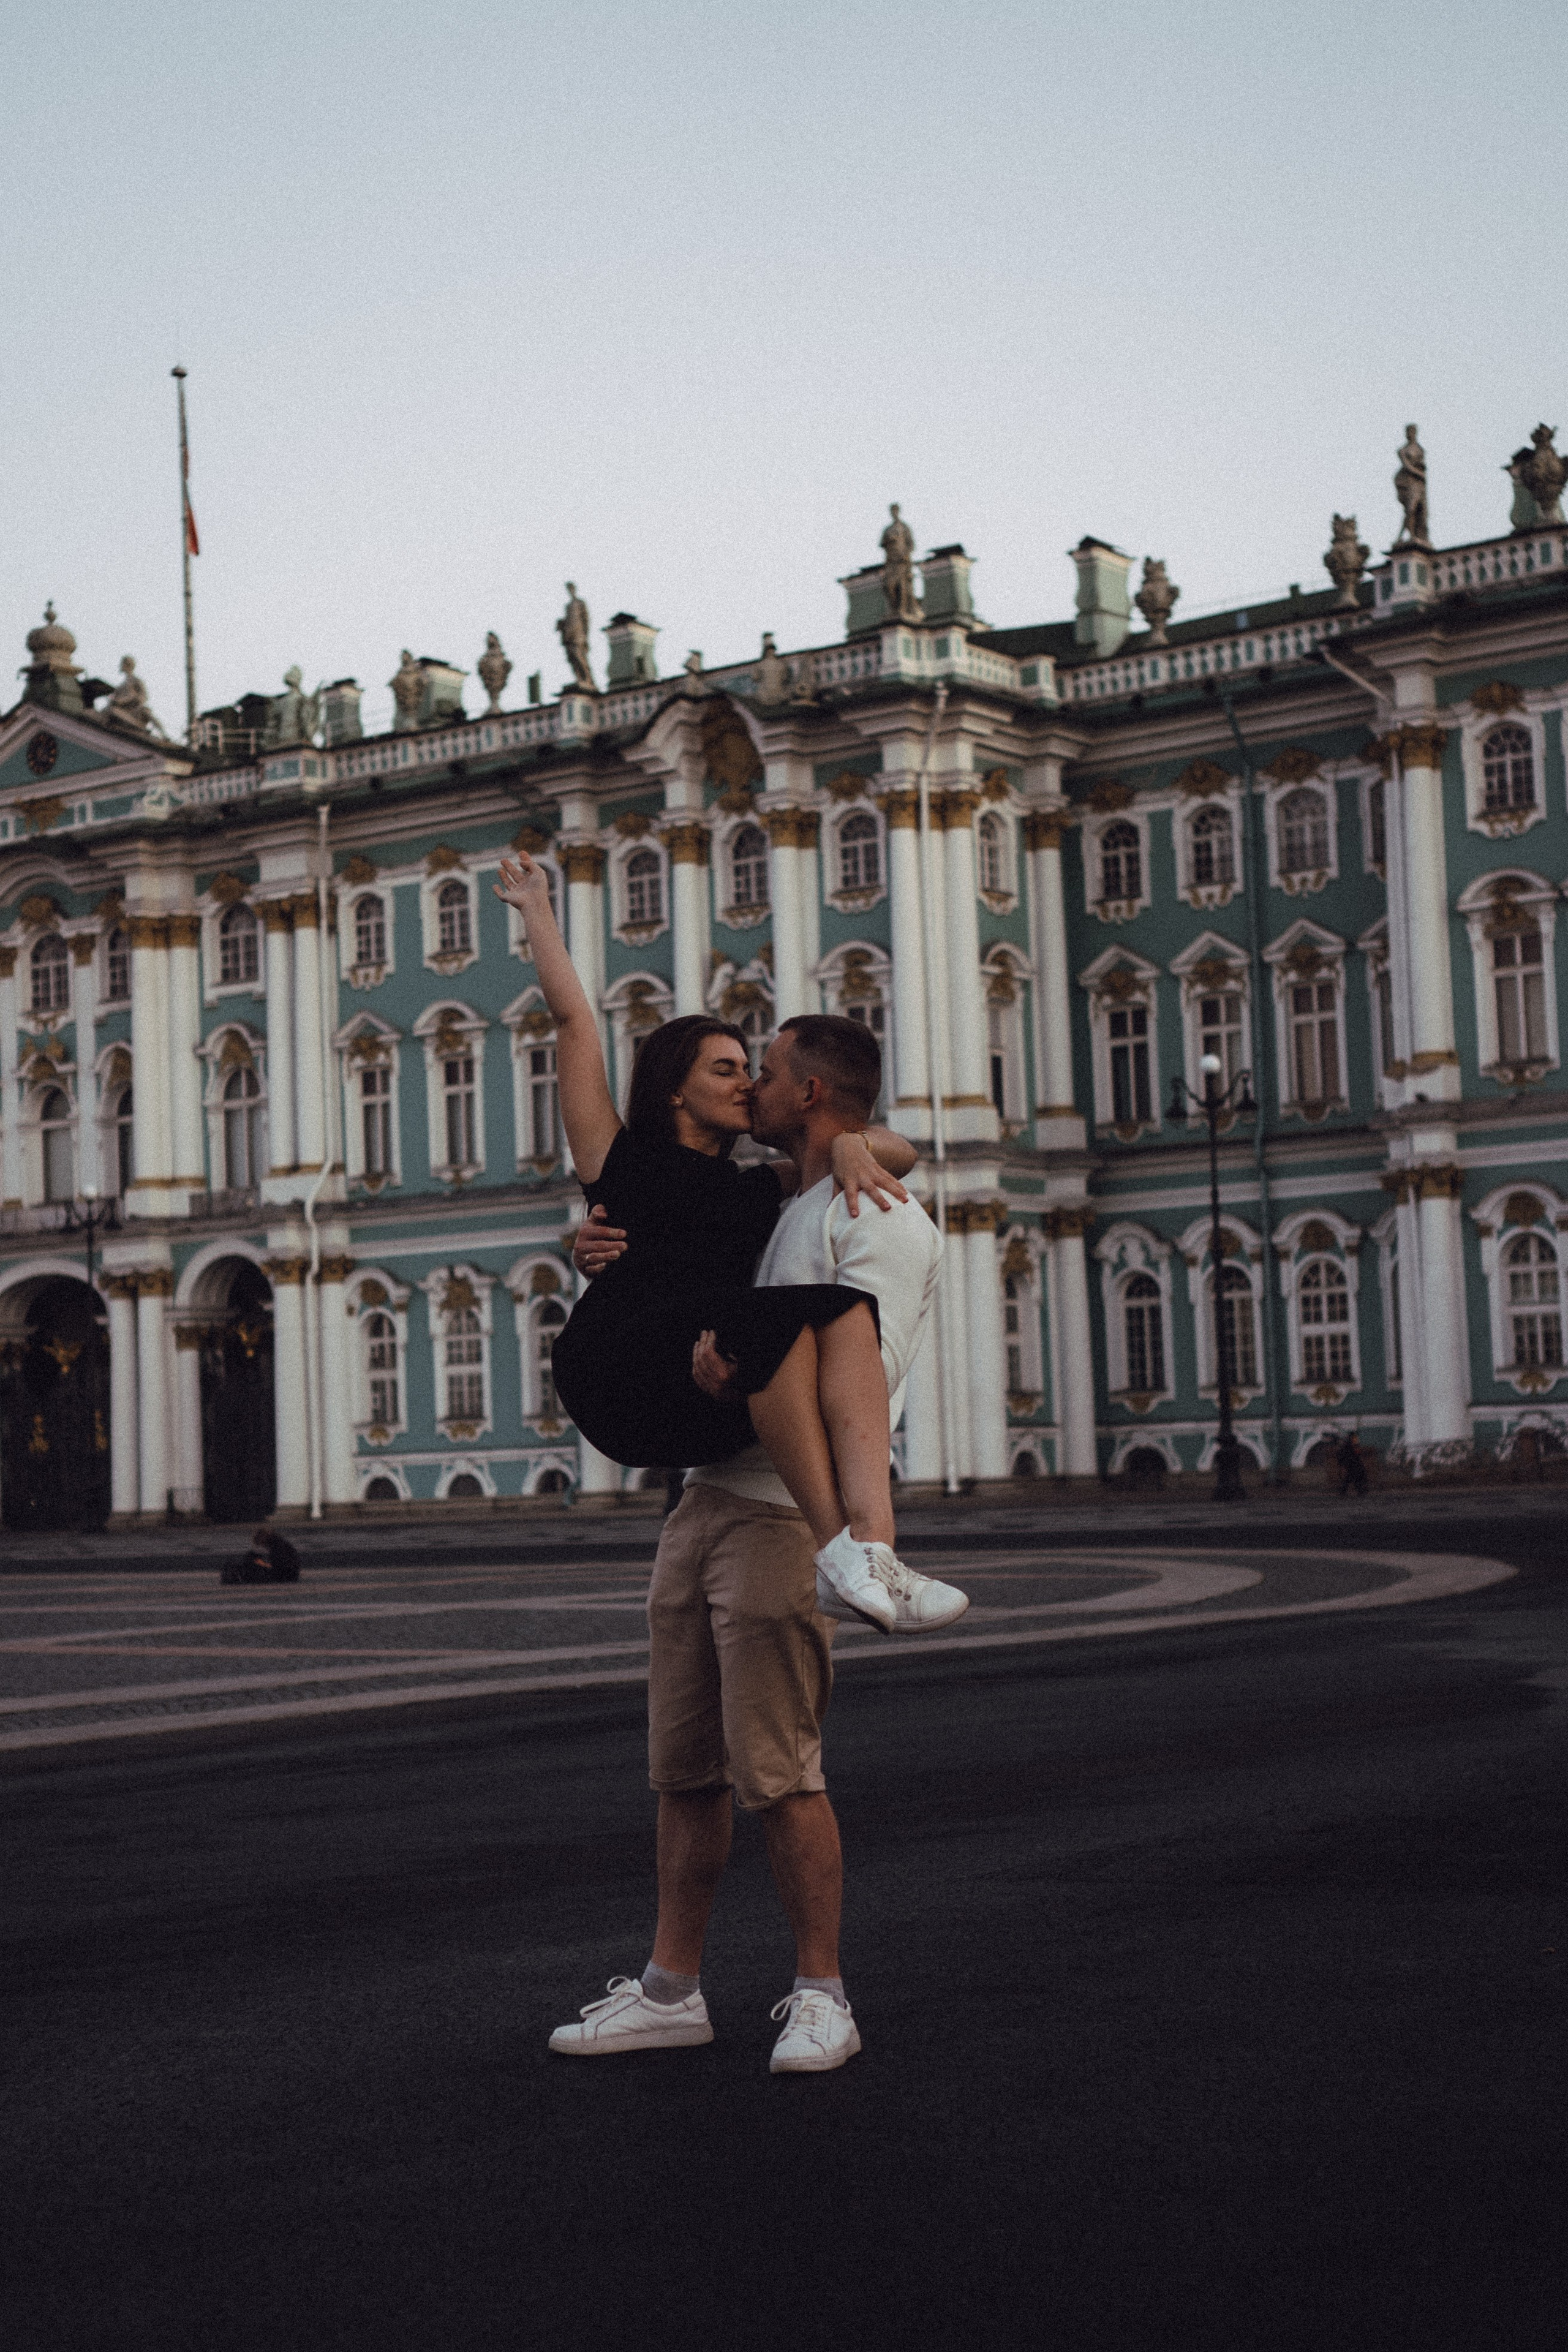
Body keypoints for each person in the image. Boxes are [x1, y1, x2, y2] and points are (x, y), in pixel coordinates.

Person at [551, 1013, 958, 2073]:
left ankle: (823, 1992)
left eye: (764, 1072)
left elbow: (849, 1365)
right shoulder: (785, 1199)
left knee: (782, 1773)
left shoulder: (875, 1216)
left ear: (810, 1096)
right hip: (702, 1507)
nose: (751, 1090)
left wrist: (747, 1371)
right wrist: (603, 1251)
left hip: (783, 1515)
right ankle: (672, 1990)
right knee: (684, 1770)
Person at [492, 850, 950, 1634]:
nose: (746, 1082)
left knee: (832, 1316)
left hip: (703, 1387)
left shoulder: (754, 1188)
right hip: (619, 1367)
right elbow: (574, 1023)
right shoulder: (619, 1160)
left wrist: (855, 1148)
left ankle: (864, 1551)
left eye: (752, 1068)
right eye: (726, 1068)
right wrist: (537, 908)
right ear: (675, 1084)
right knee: (821, 1311)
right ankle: (851, 1547)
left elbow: (897, 1152)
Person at [220, 1523, 301, 1586]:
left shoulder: (278, 1547)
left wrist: (261, 1563)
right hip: (287, 1574)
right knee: (252, 1559)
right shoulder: (279, 1544)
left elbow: (277, 1566)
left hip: (285, 1576)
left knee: (252, 1561)